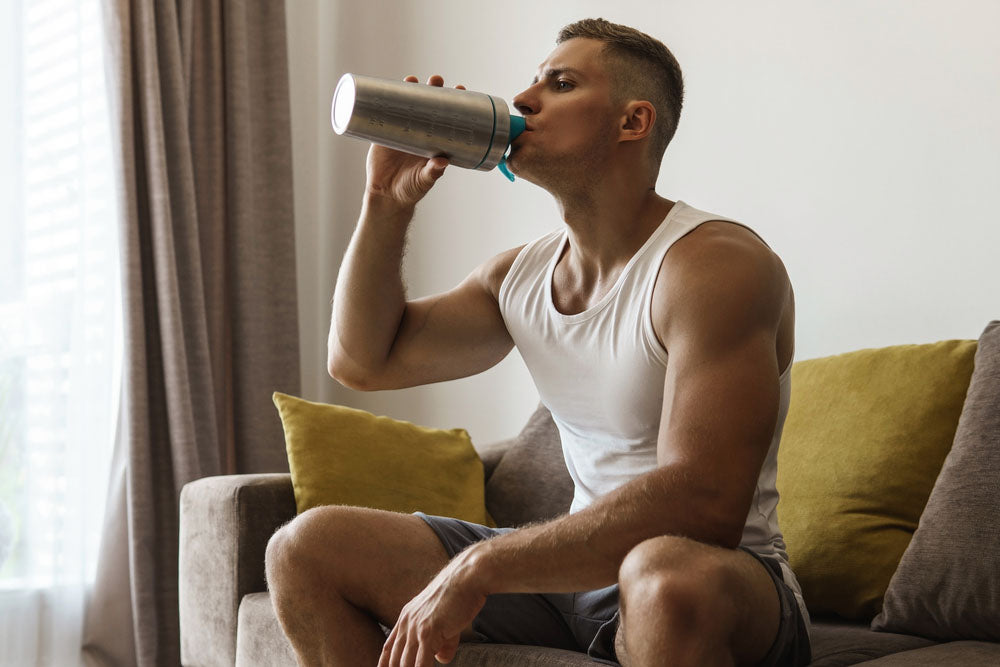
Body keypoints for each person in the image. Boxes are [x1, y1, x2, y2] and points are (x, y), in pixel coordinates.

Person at [265, 17, 811, 667]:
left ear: (632, 122)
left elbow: (706, 504)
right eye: (532, 81)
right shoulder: (517, 276)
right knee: (306, 546)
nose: (523, 99)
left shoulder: (713, 265)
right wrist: (386, 201)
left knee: (665, 577)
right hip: (575, 587)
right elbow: (361, 360)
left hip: (718, 577)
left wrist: (483, 563)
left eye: (561, 83)